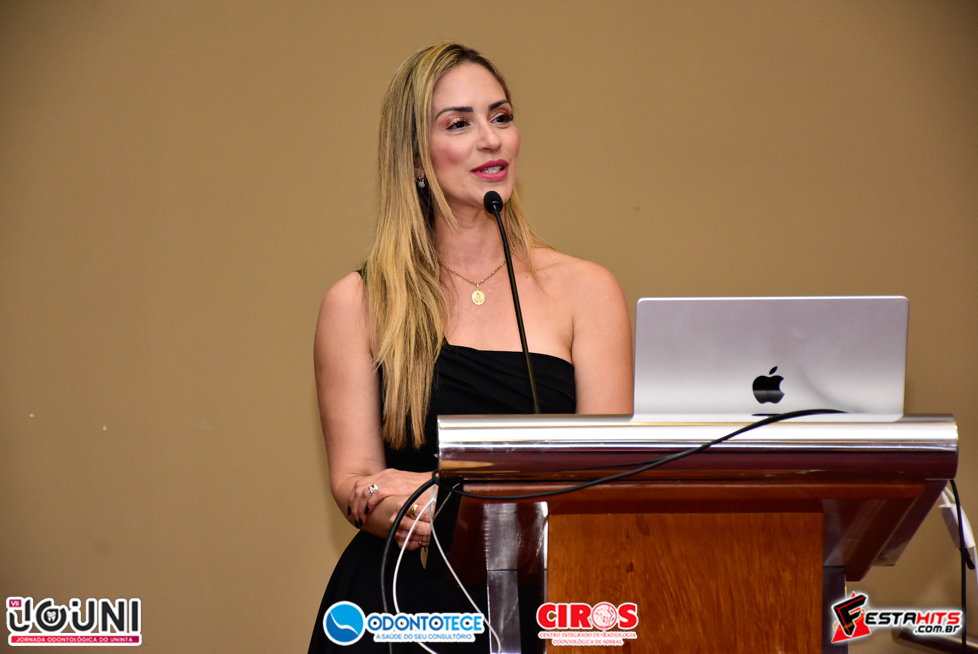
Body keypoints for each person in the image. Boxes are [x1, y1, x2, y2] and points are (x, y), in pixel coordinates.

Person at [309, 42, 632, 653]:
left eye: (501, 116)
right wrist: (391, 503)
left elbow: (608, 481)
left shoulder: (587, 291)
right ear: (415, 159)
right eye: (459, 124)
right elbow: (354, 480)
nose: (491, 139)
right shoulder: (359, 302)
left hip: (550, 604)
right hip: (403, 607)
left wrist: (455, 500)